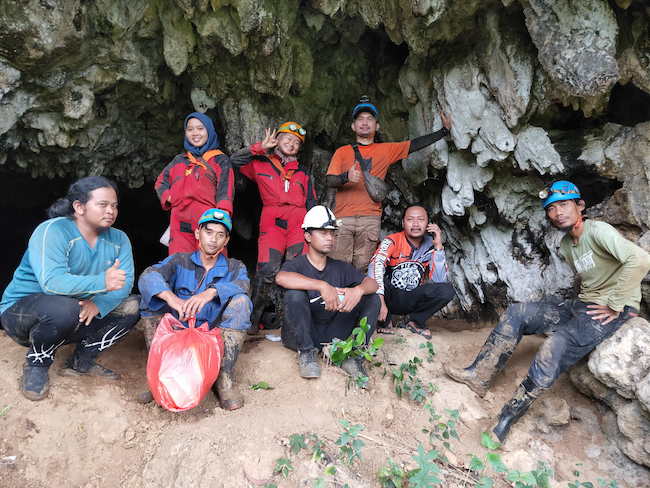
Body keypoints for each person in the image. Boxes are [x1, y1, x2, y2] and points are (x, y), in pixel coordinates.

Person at [443, 181, 650, 443]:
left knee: (553, 346)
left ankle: (507, 417)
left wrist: (616, 304)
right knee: (518, 313)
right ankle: (479, 375)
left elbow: (640, 259)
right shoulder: (567, 244)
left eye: (564, 204)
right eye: (551, 208)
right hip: (582, 304)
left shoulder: (598, 231)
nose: (558, 212)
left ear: (580, 206)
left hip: (610, 310)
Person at [0, 176, 140, 401]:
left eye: (114, 205)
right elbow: (52, 283)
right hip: (22, 313)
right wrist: (101, 283)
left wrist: (99, 303)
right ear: (79, 207)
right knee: (66, 308)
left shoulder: (119, 239)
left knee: (133, 306)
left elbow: (125, 282)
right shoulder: (52, 231)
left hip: (79, 310)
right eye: (102, 204)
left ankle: (81, 360)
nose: (111, 211)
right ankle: (37, 363)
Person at [138, 208, 252, 410]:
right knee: (151, 297)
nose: (213, 239)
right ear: (198, 233)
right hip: (178, 334)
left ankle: (223, 379)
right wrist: (171, 298)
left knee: (241, 301)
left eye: (220, 235)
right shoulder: (179, 261)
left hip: (213, 337)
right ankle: (157, 374)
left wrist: (212, 292)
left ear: (226, 240)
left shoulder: (234, 267)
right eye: (209, 232)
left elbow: (243, 284)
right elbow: (148, 276)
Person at [326, 96, 452, 271]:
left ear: (377, 126)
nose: (365, 122)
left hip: (370, 219)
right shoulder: (342, 152)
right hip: (343, 217)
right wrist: (346, 177)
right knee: (338, 267)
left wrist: (444, 131)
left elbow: (414, 145)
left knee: (363, 267)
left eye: (370, 119)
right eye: (360, 119)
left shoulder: (385, 150)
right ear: (353, 126)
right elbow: (330, 180)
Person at [275, 206, 380, 387]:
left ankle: (354, 357)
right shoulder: (296, 264)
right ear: (308, 236)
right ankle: (307, 353)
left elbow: (373, 284)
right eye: (323, 233)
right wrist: (321, 285)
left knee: (373, 299)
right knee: (294, 295)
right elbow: (281, 278)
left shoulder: (341, 267)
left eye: (332, 234)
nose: (330, 238)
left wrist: (358, 290)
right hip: (302, 334)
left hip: (333, 332)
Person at [230, 122, 317, 334]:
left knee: (300, 269)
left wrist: (313, 229)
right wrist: (260, 147)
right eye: (288, 138)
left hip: (299, 220)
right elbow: (235, 160)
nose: (292, 144)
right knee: (266, 269)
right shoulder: (261, 163)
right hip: (272, 219)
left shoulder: (303, 172)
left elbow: (312, 201)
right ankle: (252, 322)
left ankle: (297, 323)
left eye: (297, 142)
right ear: (277, 140)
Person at [368, 205, 456, 339]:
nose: (415, 224)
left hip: (411, 297)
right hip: (389, 296)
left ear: (428, 223)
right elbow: (376, 265)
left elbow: (439, 281)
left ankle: (413, 320)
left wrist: (438, 246)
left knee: (446, 290)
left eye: (420, 219)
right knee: (375, 277)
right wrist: (380, 302)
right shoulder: (392, 240)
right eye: (410, 219)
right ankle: (385, 320)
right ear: (403, 223)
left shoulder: (431, 244)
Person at [155, 112, 234, 255]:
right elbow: (161, 182)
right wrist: (170, 197)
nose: (195, 133)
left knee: (211, 263)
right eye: (190, 129)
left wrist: (221, 221)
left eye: (200, 128)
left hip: (208, 222)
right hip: (179, 224)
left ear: (209, 131)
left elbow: (225, 191)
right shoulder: (179, 160)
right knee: (180, 263)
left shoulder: (220, 160)